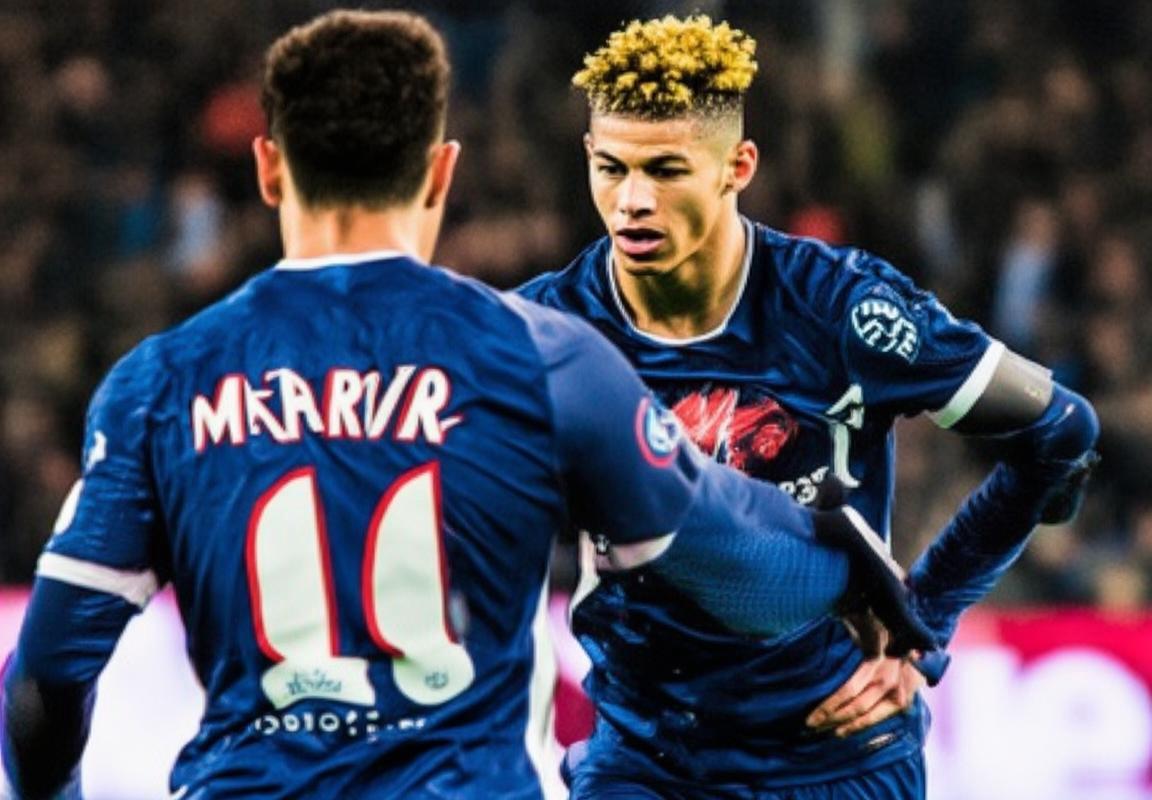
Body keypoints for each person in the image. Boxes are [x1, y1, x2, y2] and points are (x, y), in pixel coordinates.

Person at [0, 10, 933, 800]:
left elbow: (43, 684)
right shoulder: (546, 359)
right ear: (441, 171)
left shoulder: (162, 383)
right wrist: (862, 589)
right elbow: (738, 566)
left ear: (269, 168)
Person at [519, 14, 1100, 800]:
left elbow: (1059, 432)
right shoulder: (545, 332)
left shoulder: (842, 309)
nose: (633, 201)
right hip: (647, 761)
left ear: (737, 167)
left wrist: (926, 618)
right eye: (611, 168)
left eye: (666, 170)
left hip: (840, 754)